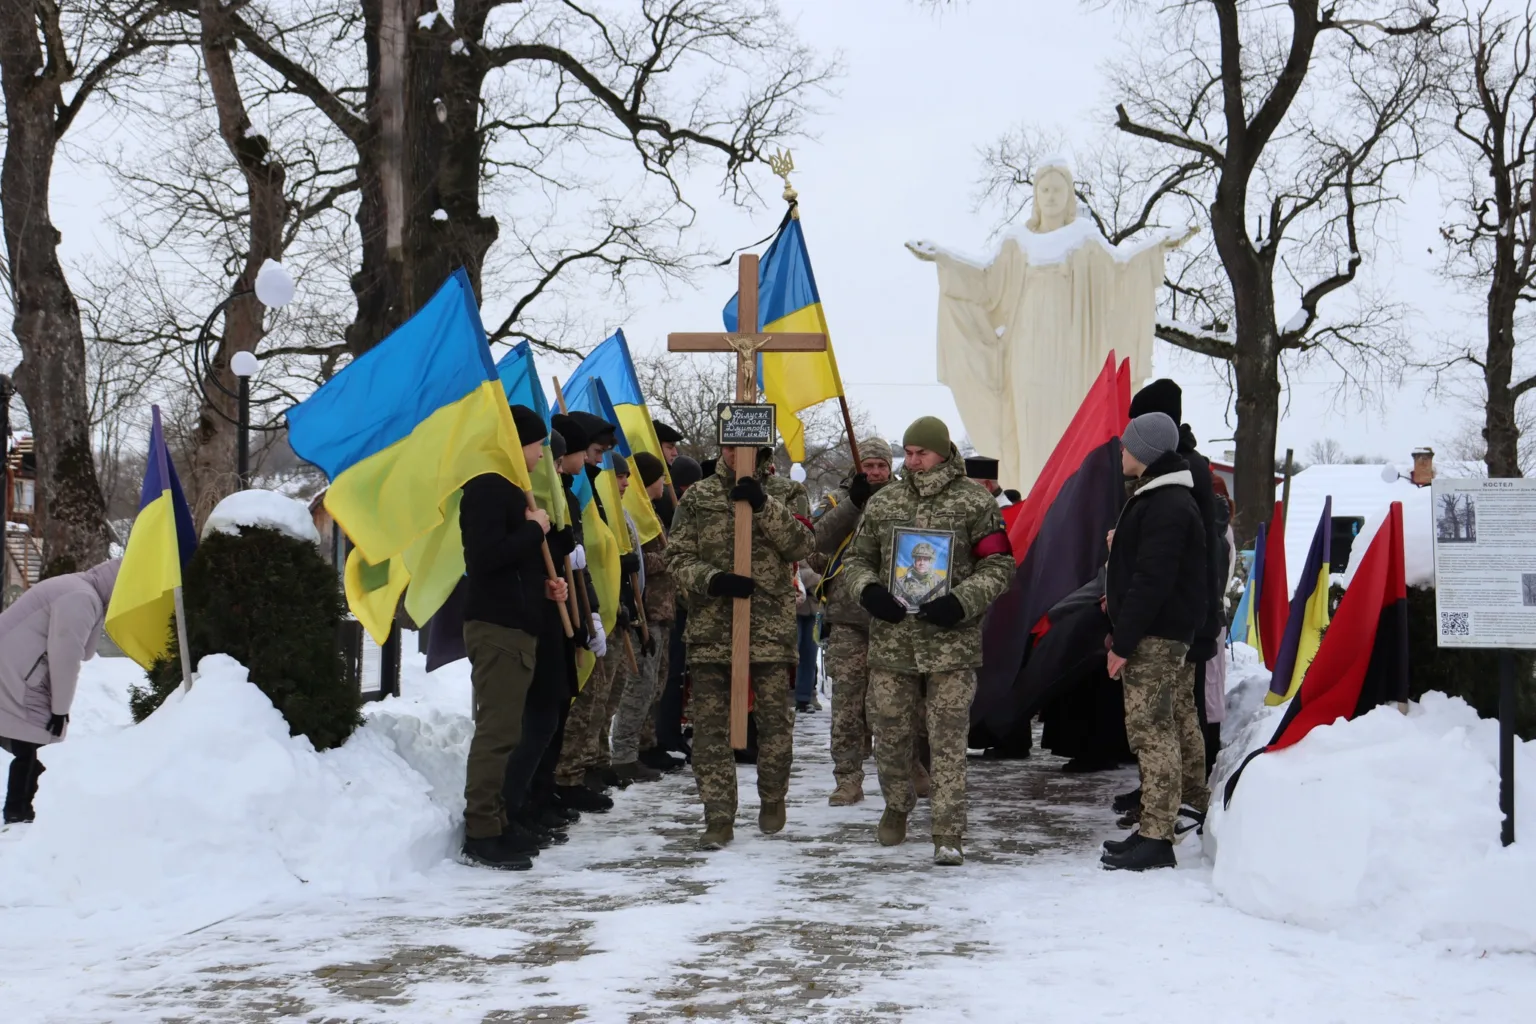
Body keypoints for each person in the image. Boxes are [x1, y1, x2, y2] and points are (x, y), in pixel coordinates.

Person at [841, 417, 1014, 866]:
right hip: (893, 642)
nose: (913, 461)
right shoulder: (885, 502)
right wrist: (869, 592)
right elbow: (856, 559)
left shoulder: (975, 502)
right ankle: (897, 804)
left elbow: (1000, 564)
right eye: (909, 452)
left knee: (948, 738)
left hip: (951, 643)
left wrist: (961, 601)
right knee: (890, 731)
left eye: (921, 452)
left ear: (943, 452)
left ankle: (948, 830)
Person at [667, 445, 813, 849]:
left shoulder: (786, 492)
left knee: (774, 723)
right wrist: (713, 580)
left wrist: (764, 506)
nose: (736, 454)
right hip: (712, 629)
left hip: (769, 629)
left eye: (743, 447)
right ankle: (717, 816)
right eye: (729, 447)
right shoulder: (699, 495)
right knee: (710, 729)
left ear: (761, 448)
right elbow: (677, 556)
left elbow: (802, 545)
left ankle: (772, 795)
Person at [457, 404, 570, 870]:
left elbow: (513, 570)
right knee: (499, 732)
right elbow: (484, 560)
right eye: (536, 444)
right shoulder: (487, 488)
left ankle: (499, 822)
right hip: (497, 628)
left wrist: (545, 588)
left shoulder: (507, 488)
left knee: (510, 731)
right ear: (514, 443)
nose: (542, 454)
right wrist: (531, 529)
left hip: (517, 625)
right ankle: (482, 832)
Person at [1099, 411, 1210, 872]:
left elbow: (1153, 580)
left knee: (1152, 732)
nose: (1122, 452)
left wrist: (1123, 643)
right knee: (1160, 727)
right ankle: (1154, 827)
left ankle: (1156, 837)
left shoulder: (1165, 502)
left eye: (1127, 445)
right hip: (1160, 632)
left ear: (1144, 451)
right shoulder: (1162, 497)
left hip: (1154, 637)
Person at [1113, 379, 1223, 818]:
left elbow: (1160, 569)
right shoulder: (1178, 479)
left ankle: (1165, 812)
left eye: (1130, 434)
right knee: (1175, 713)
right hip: (1182, 614)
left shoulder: (1173, 489)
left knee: (1161, 722)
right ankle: (1177, 798)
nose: (1121, 448)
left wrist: (1124, 639)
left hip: (1170, 620)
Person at [810, 437, 914, 807]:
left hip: (896, 617)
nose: (875, 472)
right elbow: (815, 545)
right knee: (847, 706)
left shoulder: (906, 499)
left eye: (881, 466)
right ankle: (847, 779)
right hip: (847, 617)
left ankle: (910, 770)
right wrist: (852, 504)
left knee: (898, 704)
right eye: (868, 466)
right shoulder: (837, 500)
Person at [0, 557, 120, 825]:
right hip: (16, 671)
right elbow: (66, 657)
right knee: (34, 740)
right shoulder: (81, 598)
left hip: (13, 665)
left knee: (32, 742)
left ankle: (24, 811)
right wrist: (60, 710)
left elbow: (86, 651)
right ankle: (19, 814)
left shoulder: (82, 590)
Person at [548, 412, 614, 816]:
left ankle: (570, 776)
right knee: (568, 704)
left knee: (587, 700)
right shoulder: (560, 493)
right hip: (558, 610)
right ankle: (562, 780)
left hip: (583, 606)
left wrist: (595, 609)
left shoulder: (577, 492)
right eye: (594, 451)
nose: (599, 461)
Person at [611, 451, 678, 781]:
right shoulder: (634, 515)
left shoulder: (652, 515)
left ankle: (645, 745)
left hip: (660, 611)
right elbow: (635, 560)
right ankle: (623, 753)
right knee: (639, 686)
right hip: (644, 611)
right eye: (659, 477)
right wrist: (671, 557)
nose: (664, 483)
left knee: (655, 686)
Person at [648, 455, 702, 766]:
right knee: (666, 677)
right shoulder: (663, 514)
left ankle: (670, 733)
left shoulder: (682, 511)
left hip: (678, 604)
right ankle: (663, 734)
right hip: (665, 606)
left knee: (676, 674)